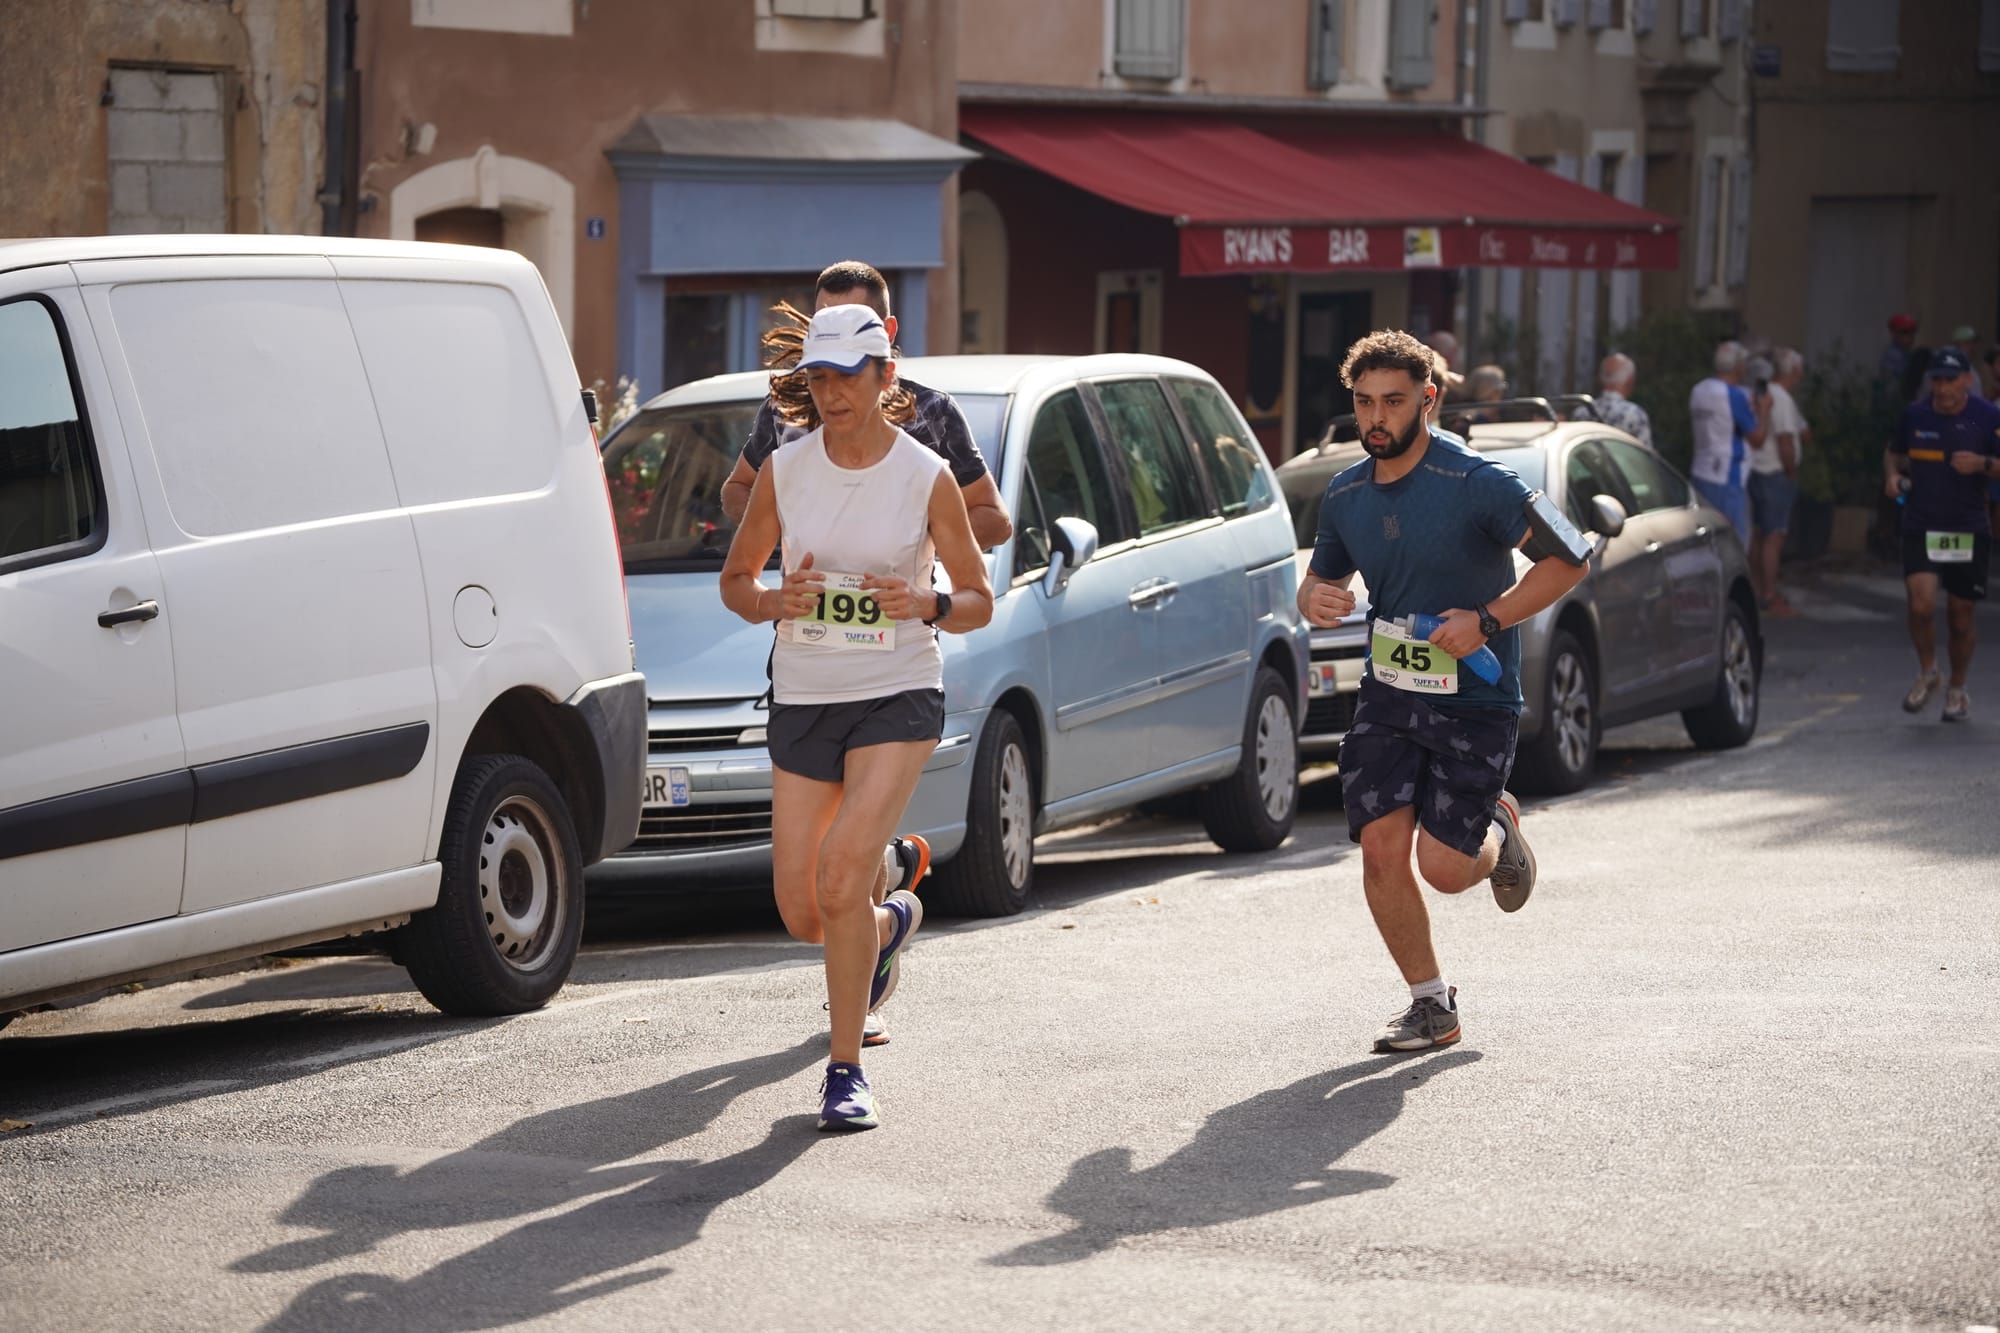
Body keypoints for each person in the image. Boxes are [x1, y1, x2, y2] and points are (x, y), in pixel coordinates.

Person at [722, 262, 1012, 1047]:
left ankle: (848, 1051)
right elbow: (738, 514)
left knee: (842, 872)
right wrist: (776, 571)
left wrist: (920, 568)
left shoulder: (932, 433)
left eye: (847, 367)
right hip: (807, 673)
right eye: (817, 370)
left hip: (897, 676)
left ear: (886, 351)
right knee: (804, 907)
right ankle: (887, 914)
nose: (829, 387)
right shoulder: (785, 438)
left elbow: (992, 527)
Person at [1298, 330, 1591, 1053]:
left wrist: (1488, 619)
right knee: (1378, 850)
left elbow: (1572, 558)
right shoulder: (1345, 494)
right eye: (1364, 402)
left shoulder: (1478, 483)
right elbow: (1324, 578)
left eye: (1393, 402)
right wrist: (1313, 594)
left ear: (1427, 400)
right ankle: (1431, 1003)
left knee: (1445, 870)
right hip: (1389, 693)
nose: (1376, 417)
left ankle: (1496, 825)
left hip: (1476, 700)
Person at [1882, 345, 2000, 723]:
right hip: (1921, 523)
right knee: (1920, 606)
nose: (1943, 388)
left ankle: (1958, 688)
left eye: (1951, 380)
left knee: (1960, 615)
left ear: (1967, 380)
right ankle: (1929, 670)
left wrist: (1983, 463)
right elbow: (1893, 452)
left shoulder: (1986, 417)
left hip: (1967, 528)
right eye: (1938, 380)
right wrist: (1892, 477)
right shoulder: (1915, 415)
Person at [1745, 347, 1808, 617]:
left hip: (1758, 471)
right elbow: (1786, 440)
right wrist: (1791, 470)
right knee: (1773, 536)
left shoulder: (1767, 393)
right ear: (1795, 371)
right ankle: (1769, 596)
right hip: (1774, 473)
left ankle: (1760, 591)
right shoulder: (1781, 398)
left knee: (1760, 535)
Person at [1687, 340, 1768, 546]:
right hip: (1727, 475)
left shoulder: (1699, 389)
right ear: (1740, 367)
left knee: (1708, 538)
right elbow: (1757, 438)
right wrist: (1764, 410)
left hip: (1701, 470)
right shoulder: (1733, 396)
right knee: (1735, 542)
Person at [1574, 352, 1653, 448]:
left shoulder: (1581, 412)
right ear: (1630, 381)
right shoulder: (1635, 415)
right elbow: (1644, 458)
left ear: (1600, 379)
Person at [1880, 313, 1918, 392]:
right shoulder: (1892, 355)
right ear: (1894, 334)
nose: (1911, 336)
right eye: (1905, 332)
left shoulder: (1907, 353)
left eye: (1912, 332)